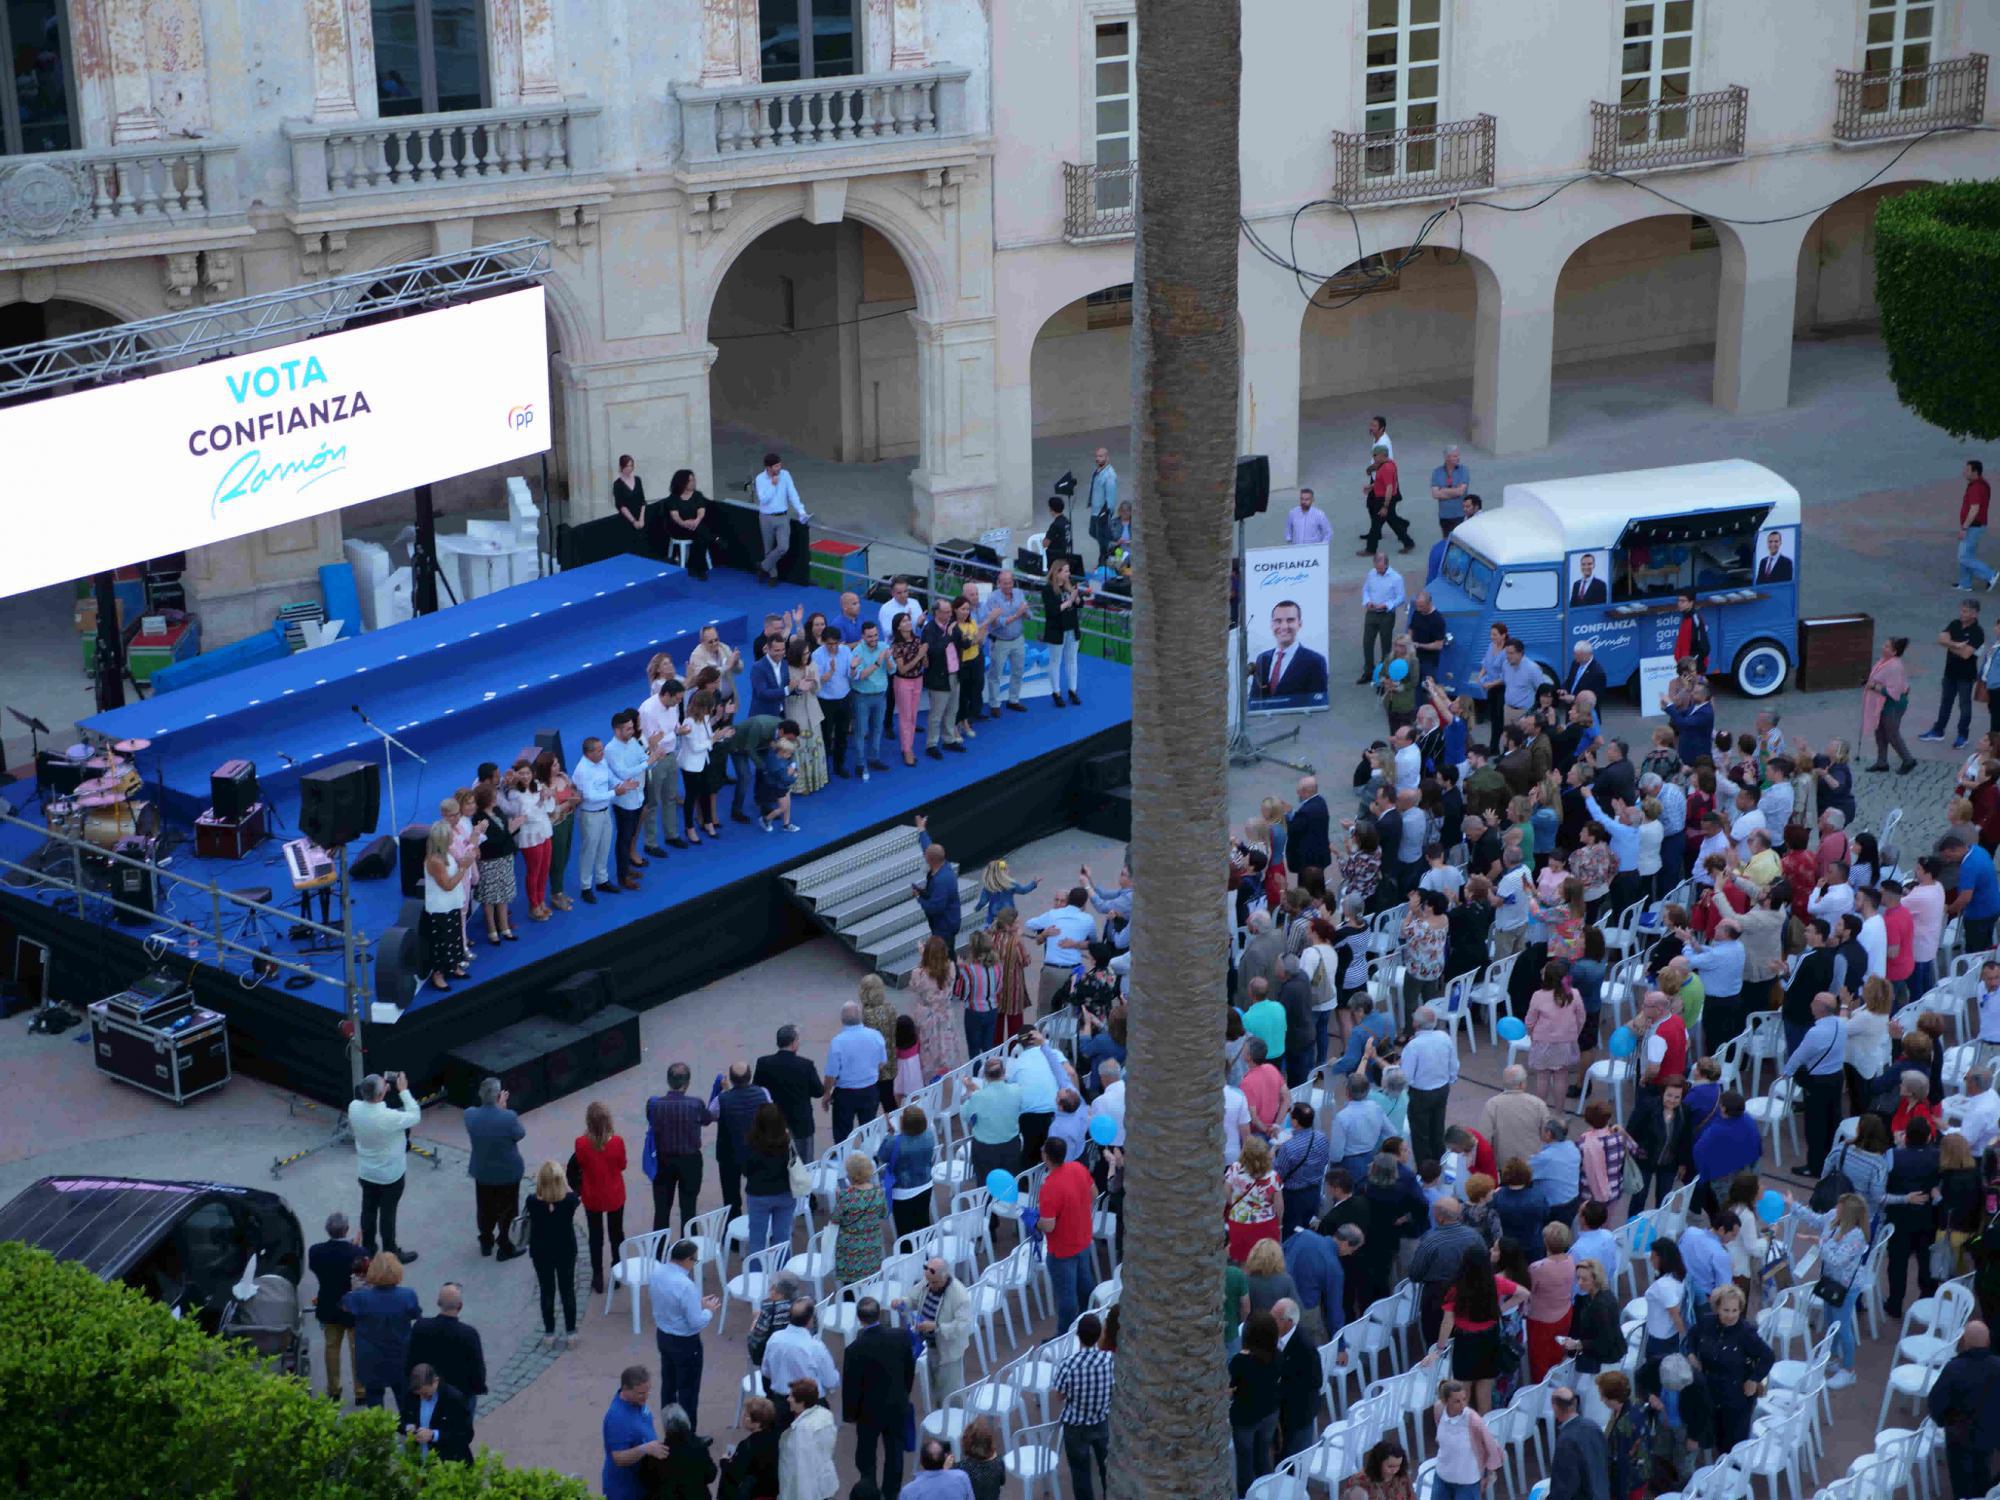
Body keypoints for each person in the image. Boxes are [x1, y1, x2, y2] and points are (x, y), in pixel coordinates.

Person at [1684, 1284, 1774, 1452]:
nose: (1731, 1315)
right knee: (1711, 1435)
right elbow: (1691, 1338)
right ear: (1717, 1307)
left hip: (1735, 1398)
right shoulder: (1706, 1322)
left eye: (1735, 1310)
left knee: (1733, 1446)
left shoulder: (1746, 1333)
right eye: (1726, 1310)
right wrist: (1691, 1355)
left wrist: (1754, 1379)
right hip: (1709, 1392)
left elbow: (1768, 1356)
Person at [1433, 1249, 1526, 1412]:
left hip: (1465, 1342)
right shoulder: (1494, 1282)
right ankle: (1484, 1430)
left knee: (1463, 1392)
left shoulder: (1456, 1288)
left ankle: (1467, 1430)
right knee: (1485, 1391)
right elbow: (1523, 1293)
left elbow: (1448, 1321)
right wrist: (1501, 1308)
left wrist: (1440, 1348)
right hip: (1489, 1338)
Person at [842, 1297, 916, 1500]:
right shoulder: (900, 1337)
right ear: (880, 1314)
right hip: (896, 1405)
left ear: (859, 1318)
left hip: (868, 1412)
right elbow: (910, 1370)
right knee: (895, 1452)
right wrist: (904, 1393)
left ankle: (869, 1489)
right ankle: (891, 1493)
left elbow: (850, 1387)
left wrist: (850, 1415)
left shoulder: (854, 1349)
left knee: (866, 1453)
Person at [350, 1072, 422, 1263]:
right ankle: (390, 1251)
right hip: (390, 1175)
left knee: (368, 1210)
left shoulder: (354, 1107)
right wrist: (404, 1091)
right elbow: (415, 1115)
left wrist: (379, 1090)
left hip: (366, 1171)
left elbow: (365, 1099)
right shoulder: (389, 1117)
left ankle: (368, 1249)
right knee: (388, 1215)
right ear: (381, 1095)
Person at [1928, 1321, 2000, 1500]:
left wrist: (1944, 1421)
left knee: (1962, 1484)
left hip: (1960, 1436)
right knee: (1982, 1471)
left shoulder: (1955, 1369)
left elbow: (1936, 1402)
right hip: (1989, 1434)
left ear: (1965, 1342)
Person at [1049, 1310, 1116, 1500]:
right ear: (1099, 1335)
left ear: (1078, 1335)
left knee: (1080, 1473)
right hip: (1101, 1421)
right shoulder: (1109, 1360)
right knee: (1106, 1468)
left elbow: (1059, 1396)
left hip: (1076, 1426)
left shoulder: (1068, 1365)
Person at [343, 1252, 421, 1410]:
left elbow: (345, 1306)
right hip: (399, 1353)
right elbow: (415, 1314)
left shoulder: (359, 1298)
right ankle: (407, 1428)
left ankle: (380, 1431)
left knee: (374, 1399)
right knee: (404, 1397)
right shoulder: (407, 1295)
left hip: (370, 1356)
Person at [462, 1076, 526, 1263]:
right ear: (499, 1096)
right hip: (508, 1172)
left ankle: (486, 1242)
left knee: (484, 1208)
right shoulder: (508, 1117)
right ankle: (505, 1245)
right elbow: (519, 1134)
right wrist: (503, 1109)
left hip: (482, 1172)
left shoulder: (470, 1115)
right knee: (508, 1210)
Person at [309, 1211, 372, 1401]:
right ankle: (360, 1391)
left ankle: (334, 1390)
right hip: (354, 1308)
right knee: (357, 1350)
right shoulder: (359, 1253)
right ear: (346, 1229)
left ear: (327, 1230)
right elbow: (363, 1274)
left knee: (331, 1348)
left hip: (328, 1304)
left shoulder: (316, 1251)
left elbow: (316, 1268)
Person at [1039, 1137, 1098, 1328]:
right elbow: (1094, 1193)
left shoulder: (1049, 1187)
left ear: (1046, 1157)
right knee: (1085, 1286)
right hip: (1083, 1239)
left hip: (1062, 1250)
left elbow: (1048, 1226)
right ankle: (1088, 1326)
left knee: (1067, 1297)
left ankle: (1064, 1336)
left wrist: (1034, 1220)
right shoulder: (1078, 1168)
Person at [897, 1258, 974, 1402]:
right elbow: (912, 1299)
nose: (931, 1286)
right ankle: (941, 1418)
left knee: (951, 1394)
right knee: (936, 1390)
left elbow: (962, 1325)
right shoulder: (928, 1281)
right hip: (931, 1346)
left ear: (945, 1276)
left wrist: (936, 1327)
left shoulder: (959, 1295)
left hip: (949, 1351)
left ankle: (954, 1421)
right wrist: (902, 1302)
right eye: (929, 1282)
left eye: (935, 1282)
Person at [573, 1105, 627, 1297]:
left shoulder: (581, 1143)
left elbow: (581, 1163)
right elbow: (622, 1165)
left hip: (592, 1194)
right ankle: (618, 1269)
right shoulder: (617, 1142)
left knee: (595, 1236)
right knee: (616, 1233)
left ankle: (597, 1275)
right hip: (614, 1194)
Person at [406, 1282, 487, 1408]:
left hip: (429, 1392)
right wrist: (479, 1387)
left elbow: (411, 1359)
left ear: (438, 1303)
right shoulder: (469, 1334)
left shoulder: (421, 1327)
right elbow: (477, 1369)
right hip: (460, 1394)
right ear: (460, 1306)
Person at [1229, 1310, 1283, 1495]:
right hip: (1270, 1413)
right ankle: (1267, 1491)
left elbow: (1230, 1387)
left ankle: (1247, 1496)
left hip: (1245, 1419)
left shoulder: (1239, 1362)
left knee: (1245, 1463)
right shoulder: (1278, 1355)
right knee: (1263, 1455)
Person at [1922, 598, 1986, 749]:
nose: (1961, 613)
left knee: (1964, 705)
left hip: (1966, 676)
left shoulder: (1978, 632)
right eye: (1961, 610)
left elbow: (1966, 654)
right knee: (1945, 703)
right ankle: (1938, 731)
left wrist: (1948, 645)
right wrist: (1956, 644)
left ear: (1974, 614)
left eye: (1965, 611)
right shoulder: (1955, 624)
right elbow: (1940, 638)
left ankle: (1962, 736)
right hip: (1949, 672)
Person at [1428, 1378, 1505, 1500]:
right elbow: (1440, 1431)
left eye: (1464, 1399)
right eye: (1457, 1401)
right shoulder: (1439, 1409)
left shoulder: (1473, 1420)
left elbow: (1490, 1445)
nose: (1463, 1405)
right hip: (1442, 1475)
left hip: (1467, 1481)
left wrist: (1487, 1474)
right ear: (1445, 1401)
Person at [603, 1365, 670, 1500]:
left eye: (647, 1392)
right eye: (640, 1393)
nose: (645, 1397)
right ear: (625, 1389)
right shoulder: (617, 1418)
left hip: (642, 1483)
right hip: (626, 1492)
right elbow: (618, 1458)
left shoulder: (637, 1402)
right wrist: (645, 1449)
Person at [1252, 598, 1329, 702]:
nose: (1284, 626)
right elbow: (1254, 700)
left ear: (1299, 624)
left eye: (1290, 620)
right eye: (1278, 621)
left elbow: (1318, 702)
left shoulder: (1315, 661)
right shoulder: (1262, 659)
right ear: (1271, 624)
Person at [978, 570, 1033, 716]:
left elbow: (1028, 615)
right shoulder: (993, 598)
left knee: (1018, 671)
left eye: (1010, 582)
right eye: (1005, 583)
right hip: (1000, 641)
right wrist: (1017, 614)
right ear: (999, 583)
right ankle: (994, 703)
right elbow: (995, 623)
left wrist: (1025, 612)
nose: (1008, 586)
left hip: (1018, 639)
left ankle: (1013, 700)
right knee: (995, 673)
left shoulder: (1019, 593)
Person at [397, 1363, 474, 1463]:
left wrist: (433, 1435)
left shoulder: (454, 1399)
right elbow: (400, 1421)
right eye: (419, 1394)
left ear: (435, 1382)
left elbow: (466, 1435)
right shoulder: (411, 1396)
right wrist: (407, 1428)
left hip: (448, 1462)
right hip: (420, 1461)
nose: (422, 1398)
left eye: (425, 1393)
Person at [777, 1377, 840, 1499]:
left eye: (792, 1396)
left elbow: (803, 1470)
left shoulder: (803, 1430)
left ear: (802, 1402)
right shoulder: (825, 1414)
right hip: (822, 1482)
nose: (788, 1399)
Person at [754, 451, 809, 584]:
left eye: (780, 465)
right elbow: (763, 499)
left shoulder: (785, 475)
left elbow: (792, 494)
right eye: (776, 467)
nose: (779, 469)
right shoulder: (760, 479)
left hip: (782, 517)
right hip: (766, 517)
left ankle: (763, 566)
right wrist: (773, 485)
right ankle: (773, 575)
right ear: (768, 468)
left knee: (783, 547)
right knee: (768, 548)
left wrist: (801, 511)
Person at [1547, 1386, 1610, 1500]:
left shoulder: (1566, 1441)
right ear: (1575, 1403)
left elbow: (1565, 1486)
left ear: (1555, 1407)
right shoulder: (1594, 1427)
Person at [849, 621, 892, 779]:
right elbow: (860, 676)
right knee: (861, 731)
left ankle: (874, 758)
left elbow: (892, 669)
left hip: (880, 696)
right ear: (862, 636)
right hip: (862, 697)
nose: (874, 638)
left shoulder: (883, 647)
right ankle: (860, 764)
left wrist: (886, 660)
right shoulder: (857, 651)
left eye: (875, 635)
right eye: (870, 636)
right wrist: (878, 663)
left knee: (877, 729)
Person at [718, 1395, 781, 1500]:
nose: (743, 1417)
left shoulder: (748, 1445)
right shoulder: (777, 1438)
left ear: (757, 1423)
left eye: (746, 1415)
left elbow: (735, 1473)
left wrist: (724, 1462)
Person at [1042, 560, 1086, 708]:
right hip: (1057, 630)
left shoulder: (1069, 585)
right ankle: (1056, 692)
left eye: (1068, 571)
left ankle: (1073, 690)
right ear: (1057, 572)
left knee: (1072, 660)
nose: (1069, 574)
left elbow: (1080, 604)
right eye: (1066, 571)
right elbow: (1053, 610)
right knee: (1055, 661)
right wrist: (1069, 601)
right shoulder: (1048, 589)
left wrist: (1076, 596)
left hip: (1071, 628)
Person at [1357, 552, 1407, 685]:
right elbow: (1366, 590)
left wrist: (1387, 605)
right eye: (1376, 566)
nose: (1378, 569)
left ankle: (1384, 673)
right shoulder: (1371, 574)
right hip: (1372, 612)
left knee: (1385, 644)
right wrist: (1367, 601)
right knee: (1367, 642)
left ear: (1386, 564)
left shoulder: (1396, 578)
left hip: (1386, 614)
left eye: (1380, 566)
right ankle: (1368, 671)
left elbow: (1401, 597)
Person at [1340, 1437, 1417, 1500]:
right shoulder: (1360, 1481)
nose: (1395, 1470)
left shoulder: (1402, 1476)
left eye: (1398, 1465)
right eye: (1390, 1466)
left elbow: (1411, 1496)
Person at [1960, 459, 1995, 590]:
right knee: (1967, 555)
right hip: (1975, 525)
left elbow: (1974, 509)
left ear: (1975, 472)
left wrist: (1964, 527)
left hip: (1973, 526)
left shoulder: (1976, 487)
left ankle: (1990, 575)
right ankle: (1965, 584)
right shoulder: (1981, 484)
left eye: (1967, 470)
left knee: (1964, 557)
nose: (1964, 472)